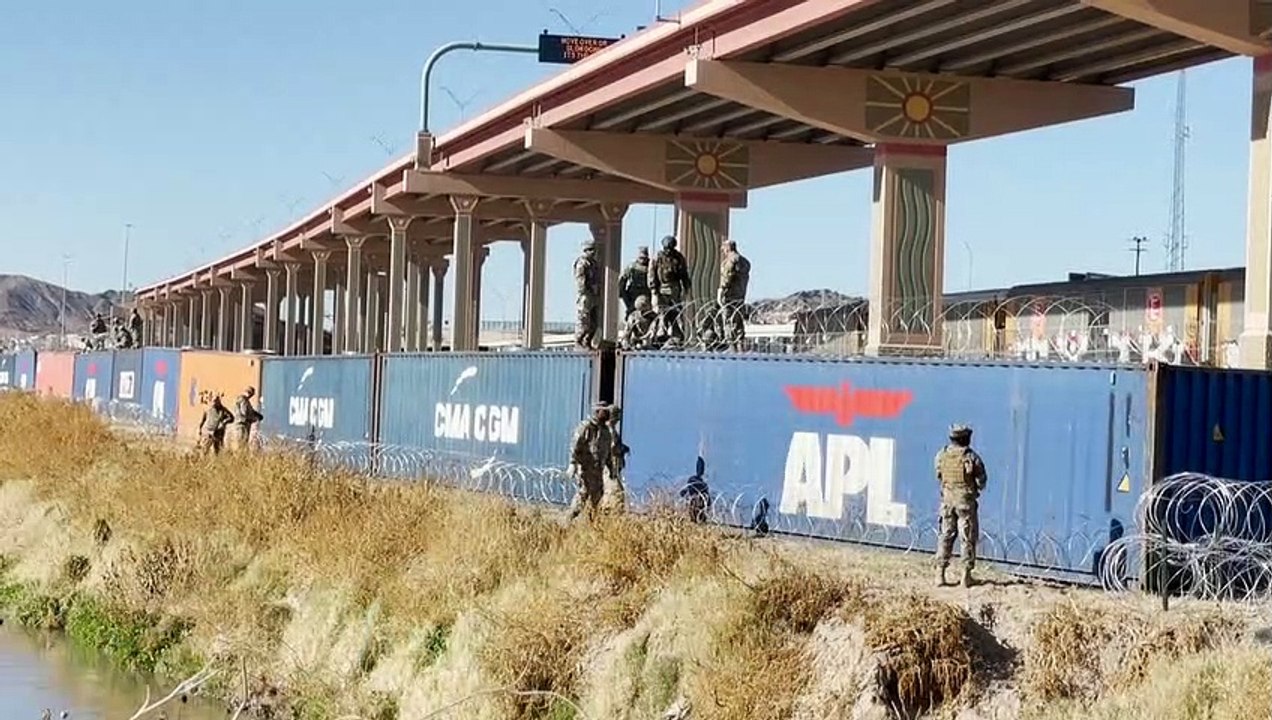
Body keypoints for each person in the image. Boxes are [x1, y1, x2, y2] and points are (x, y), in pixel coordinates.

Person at [934, 424, 988, 587]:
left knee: (946, 536)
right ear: (966, 438)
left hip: (947, 501)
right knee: (967, 537)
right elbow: (981, 481)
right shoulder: (971, 457)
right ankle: (965, 576)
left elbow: (938, 475)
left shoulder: (941, 455)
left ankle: (940, 574)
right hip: (965, 502)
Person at [568, 402, 614, 521]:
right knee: (583, 494)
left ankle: (592, 523)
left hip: (598, 471)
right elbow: (575, 445)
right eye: (605, 411)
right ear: (597, 412)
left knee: (597, 497)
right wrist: (573, 463)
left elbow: (608, 452)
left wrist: (611, 468)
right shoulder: (586, 427)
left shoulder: (606, 431)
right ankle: (568, 520)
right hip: (586, 468)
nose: (607, 414)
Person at [650, 236, 691, 346]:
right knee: (661, 314)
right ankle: (658, 336)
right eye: (666, 248)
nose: (668, 251)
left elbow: (684, 274)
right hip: (661, 289)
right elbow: (652, 274)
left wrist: (686, 288)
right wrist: (653, 289)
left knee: (675, 313)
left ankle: (677, 337)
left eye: (670, 248)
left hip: (674, 289)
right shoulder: (658, 258)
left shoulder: (678, 258)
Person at [718, 240, 751, 350]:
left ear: (727, 248)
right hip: (740, 294)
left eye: (723, 249)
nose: (723, 251)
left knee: (728, 320)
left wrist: (721, 290)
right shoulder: (745, 261)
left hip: (730, 295)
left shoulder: (730, 260)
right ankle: (740, 345)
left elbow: (727, 277)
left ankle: (731, 345)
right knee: (738, 320)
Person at [574, 241, 602, 349]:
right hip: (585, 295)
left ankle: (587, 342)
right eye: (590, 250)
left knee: (594, 323)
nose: (593, 252)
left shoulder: (594, 263)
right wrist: (588, 290)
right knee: (584, 321)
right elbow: (581, 281)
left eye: (593, 250)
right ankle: (579, 342)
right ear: (585, 251)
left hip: (594, 296)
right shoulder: (582, 263)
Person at [602, 405, 629, 513]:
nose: (619, 418)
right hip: (610, 467)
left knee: (610, 491)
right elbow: (612, 448)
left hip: (612, 467)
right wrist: (622, 449)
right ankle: (610, 512)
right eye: (617, 415)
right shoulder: (610, 430)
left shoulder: (609, 429)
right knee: (616, 491)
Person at [618, 247, 652, 317]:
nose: (642, 260)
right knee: (632, 314)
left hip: (646, 294)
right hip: (633, 295)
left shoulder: (651, 266)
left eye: (644, 258)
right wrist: (623, 293)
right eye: (641, 258)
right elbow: (622, 280)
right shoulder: (632, 266)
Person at [680, 457, 711, 523]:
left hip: (698, 504)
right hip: (696, 504)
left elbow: (707, 497)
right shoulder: (698, 482)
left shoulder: (700, 483)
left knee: (697, 514)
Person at [233, 386, 264, 451]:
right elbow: (245, 412)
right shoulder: (243, 400)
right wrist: (253, 418)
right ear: (249, 393)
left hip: (242, 424)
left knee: (243, 443)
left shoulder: (243, 400)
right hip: (242, 424)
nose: (251, 396)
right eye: (252, 394)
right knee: (241, 443)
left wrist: (257, 415)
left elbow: (250, 411)